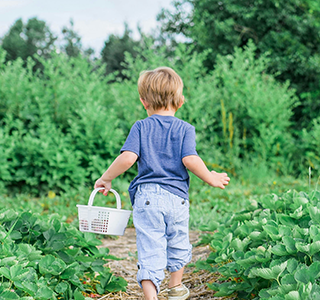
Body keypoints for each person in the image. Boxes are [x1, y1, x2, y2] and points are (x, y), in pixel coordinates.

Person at [93, 67, 230, 300]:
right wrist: (210, 177)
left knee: (150, 248)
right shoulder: (186, 129)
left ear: (143, 101)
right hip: (177, 198)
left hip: (147, 198)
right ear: (181, 100)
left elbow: (128, 158)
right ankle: (176, 287)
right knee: (178, 242)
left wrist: (106, 178)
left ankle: (151, 296)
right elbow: (190, 159)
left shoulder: (141, 126)